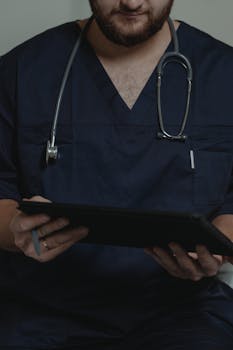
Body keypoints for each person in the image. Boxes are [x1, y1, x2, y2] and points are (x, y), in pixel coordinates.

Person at [0, 0, 233, 349]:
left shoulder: (223, 74)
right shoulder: (22, 70)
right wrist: (12, 231)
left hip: (186, 311)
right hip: (43, 310)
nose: (132, 2)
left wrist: (221, 245)